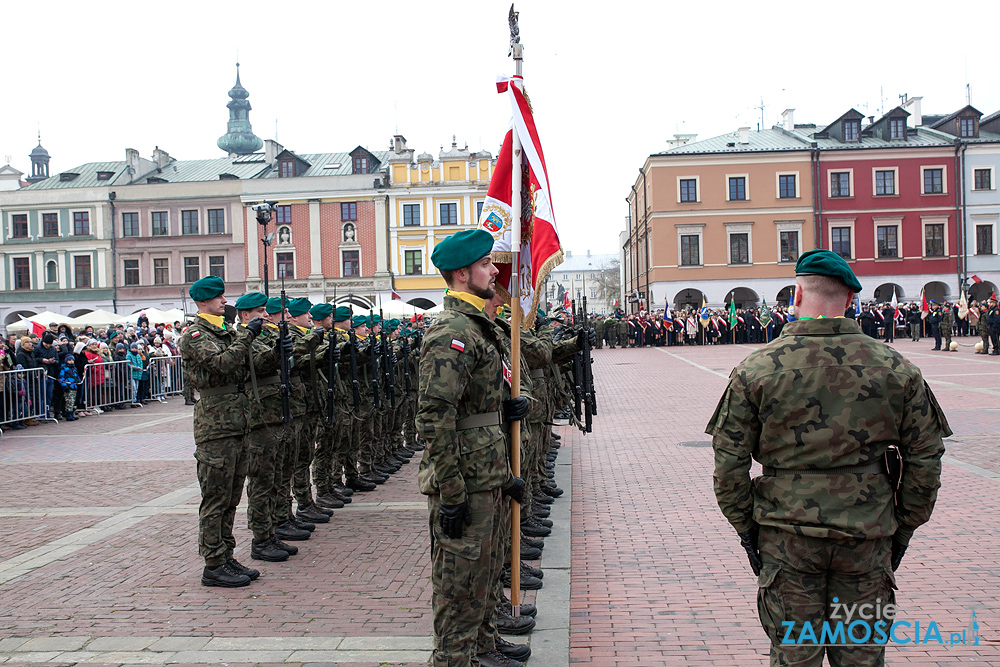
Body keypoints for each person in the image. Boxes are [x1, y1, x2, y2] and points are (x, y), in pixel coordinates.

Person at [707, 249, 949, 667]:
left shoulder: (756, 369)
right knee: (861, 656)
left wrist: (749, 528)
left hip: (786, 536)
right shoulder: (896, 367)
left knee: (795, 656)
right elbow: (926, 458)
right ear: (850, 300)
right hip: (868, 534)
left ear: (796, 293)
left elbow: (728, 463)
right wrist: (903, 524)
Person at [416, 229, 529, 667]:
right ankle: (453, 657)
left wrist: (506, 406)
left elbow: (475, 400)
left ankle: (482, 645)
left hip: (486, 471)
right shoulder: (451, 330)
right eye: (485, 265)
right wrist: (452, 492)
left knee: (483, 570)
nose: (493, 271)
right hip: (464, 476)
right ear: (462, 274)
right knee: (458, 580)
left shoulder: (477, 324)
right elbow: (434, 416)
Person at [177, 276, 263, 588]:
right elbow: (223, 364)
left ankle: (225, 555)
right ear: (204, 302)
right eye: (219, 298)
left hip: (236, 422)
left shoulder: (225, 331)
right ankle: (213, 563)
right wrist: (246, 338)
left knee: (231, 496)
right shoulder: (196, 335)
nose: (225, 302)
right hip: (215, 426)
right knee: (215, 497)